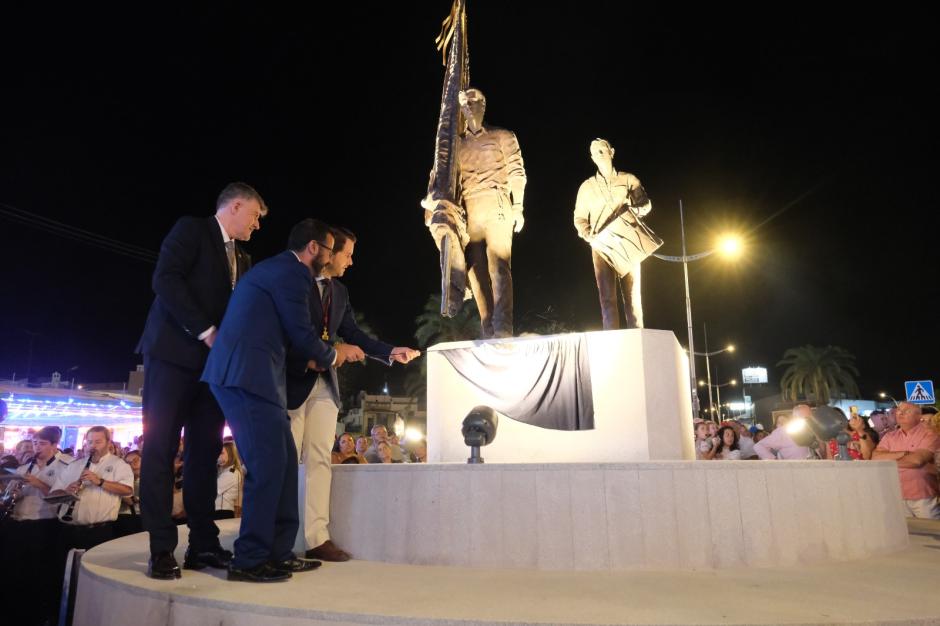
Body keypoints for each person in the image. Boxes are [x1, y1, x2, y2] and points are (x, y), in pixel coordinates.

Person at [202, 218, 364, 582]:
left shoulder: (283, 272)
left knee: (286, 461)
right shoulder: (293, 273)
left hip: (261, 378)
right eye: (329, 248)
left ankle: (279, 551)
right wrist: (335, 355)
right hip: (243, 376)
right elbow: (301, 334)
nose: (335, 256)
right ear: (313, 249)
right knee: (269, 465)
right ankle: (250, 559)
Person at [136, 182, 267, 580]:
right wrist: (206, 331)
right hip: (173, 358)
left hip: (214, 372)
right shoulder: (191, 230)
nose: (257, 226)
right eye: (256, 216)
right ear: (237, 206)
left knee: (204, 454)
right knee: (160, 450)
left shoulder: (243, 259)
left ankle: (203, 545)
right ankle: (161, 549)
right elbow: (166, 281)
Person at [286, 226, 420, 561]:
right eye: (346, 254)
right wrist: (331, 349)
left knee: (319, 460)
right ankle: (280, 540)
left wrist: (389, 351)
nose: (350, 262)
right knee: (284, 460)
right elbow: (291, 331)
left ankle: (316, 538)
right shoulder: (293, 281)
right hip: (290, 381)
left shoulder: (340, 291)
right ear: (328, 252)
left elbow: (353, 333)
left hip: (324, 385)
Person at [455, 88, 527, 339]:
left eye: (474, 100)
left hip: (497, 204)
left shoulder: (502, 136)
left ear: (484, 105)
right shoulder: (456, 144)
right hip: (470, 211)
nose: (469, 105)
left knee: (499, 267)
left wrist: (518, 206)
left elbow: (517, 171)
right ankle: (489, 328)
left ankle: (503, 327)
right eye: (464, 102)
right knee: (475, 270)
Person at [573, 138, 652, 329]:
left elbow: (646, 203)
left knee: (633, 298)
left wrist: (636, 210)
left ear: (612, 152)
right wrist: (586, 233)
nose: (599, 154)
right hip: (602, 246)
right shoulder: (587, 187)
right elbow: (579, 218)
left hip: (627, 241)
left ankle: (637, 337)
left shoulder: (628, 180)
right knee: (607, 300)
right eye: (595, 152)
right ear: (591, 158)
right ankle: (613, 339)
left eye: (602, 150)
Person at [0, 427, 73, 625]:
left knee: (40, 572)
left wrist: (38, 483)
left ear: (54, 445)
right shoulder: (24, 468)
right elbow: (9, 497)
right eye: (34, 443)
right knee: (15, 570)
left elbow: (63, 497)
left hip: (44, 525)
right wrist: (11, 491)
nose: (36, 447)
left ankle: (40, 614)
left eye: (41, 444)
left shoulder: (64, 467)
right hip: (19, 523)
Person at [873, 402, 940, 519]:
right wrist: (904, 453)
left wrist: (887, 459)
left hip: (923, 496)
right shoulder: (890, 436)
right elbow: (875, 458)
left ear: (919, 416)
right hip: (897, 494)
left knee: (931, 532)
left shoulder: (930, 435)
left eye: (907, 411)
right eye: (899, 410)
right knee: (908, 533)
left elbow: (916, 461)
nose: (900, 413)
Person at [215, 441, 242, 519]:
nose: (219, 456)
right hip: (217, 511)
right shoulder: (222, 470)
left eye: (222, 453)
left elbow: (215, 488)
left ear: (230, 454)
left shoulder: (232, 472)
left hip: (222, 512)